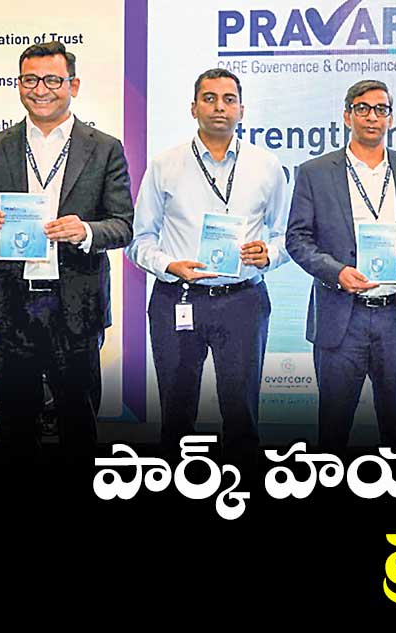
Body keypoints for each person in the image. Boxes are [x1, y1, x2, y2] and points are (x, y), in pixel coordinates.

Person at [0, 41, 133, 458]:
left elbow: (123, 225)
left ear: (73, 85)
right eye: (30, 80)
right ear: (19, 84)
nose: (40, 89)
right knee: (16, 427)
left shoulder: (105, 147)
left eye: (53, 80)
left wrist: (85, 231)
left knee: (79, 425)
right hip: (10, 307)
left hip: (74, 307)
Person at [126, 68, 290, 459]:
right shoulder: (164, 164)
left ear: (242, 110)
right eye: (210, 98)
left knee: (242, 414)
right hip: (178, 299)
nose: (219, 107)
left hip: (243, 300)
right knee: (176, 415)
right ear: (193, 107)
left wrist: (269, 254)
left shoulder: (267, 165)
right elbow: (138, 239)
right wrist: (170, 266)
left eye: (229, 99)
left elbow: (288, 235)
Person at [286, 79, 396, 452]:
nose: (372, 116)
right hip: (341, 316)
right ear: (347, 116)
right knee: (333, 431)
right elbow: (297, 238)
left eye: (381, 109)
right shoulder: (314, 172)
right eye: (363, 108)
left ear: (391, 117)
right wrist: (336, 272)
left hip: (395, 317)